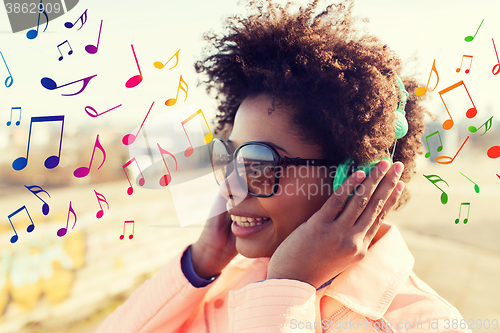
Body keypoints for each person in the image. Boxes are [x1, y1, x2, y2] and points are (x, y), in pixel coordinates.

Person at [96, 0, 470, 332]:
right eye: (229, 157)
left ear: (352, 180)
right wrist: (201, 263)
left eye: (258, 163)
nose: (229, 186)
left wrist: (286, 288)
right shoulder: (229, 279)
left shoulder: (425, 323)